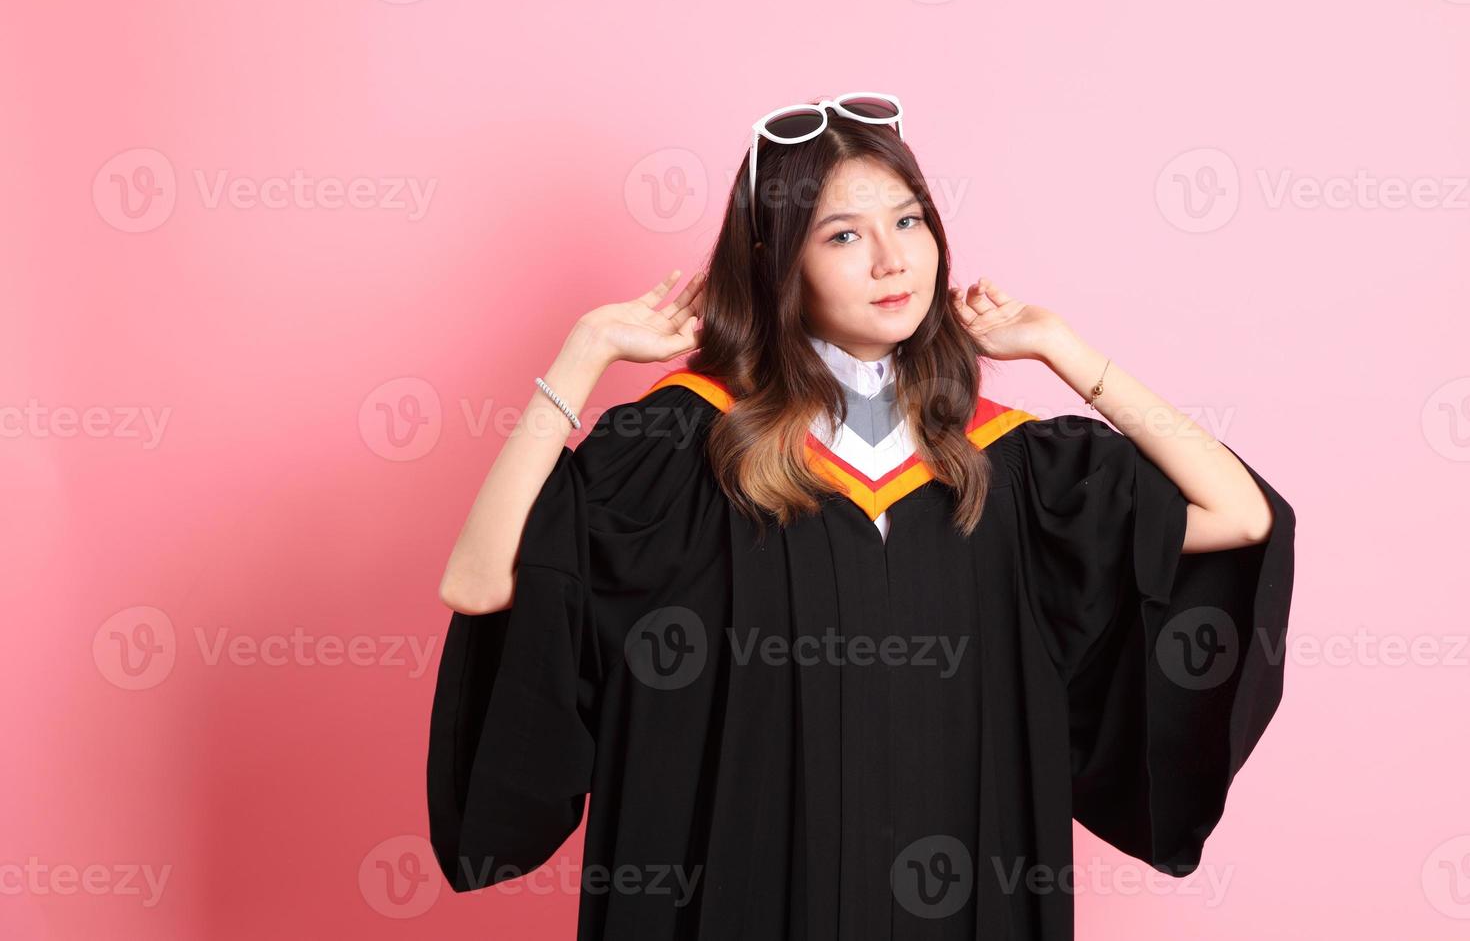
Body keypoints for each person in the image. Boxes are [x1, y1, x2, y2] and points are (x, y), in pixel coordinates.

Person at [426, 94, 1296, 940]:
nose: (893, 260)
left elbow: (1238, 512)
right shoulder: (682, 447)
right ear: (777, 262)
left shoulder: (1007, 466)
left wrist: (1063, 350)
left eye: (909, 222)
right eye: (844, 234)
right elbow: (477, 581)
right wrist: (580, 359)